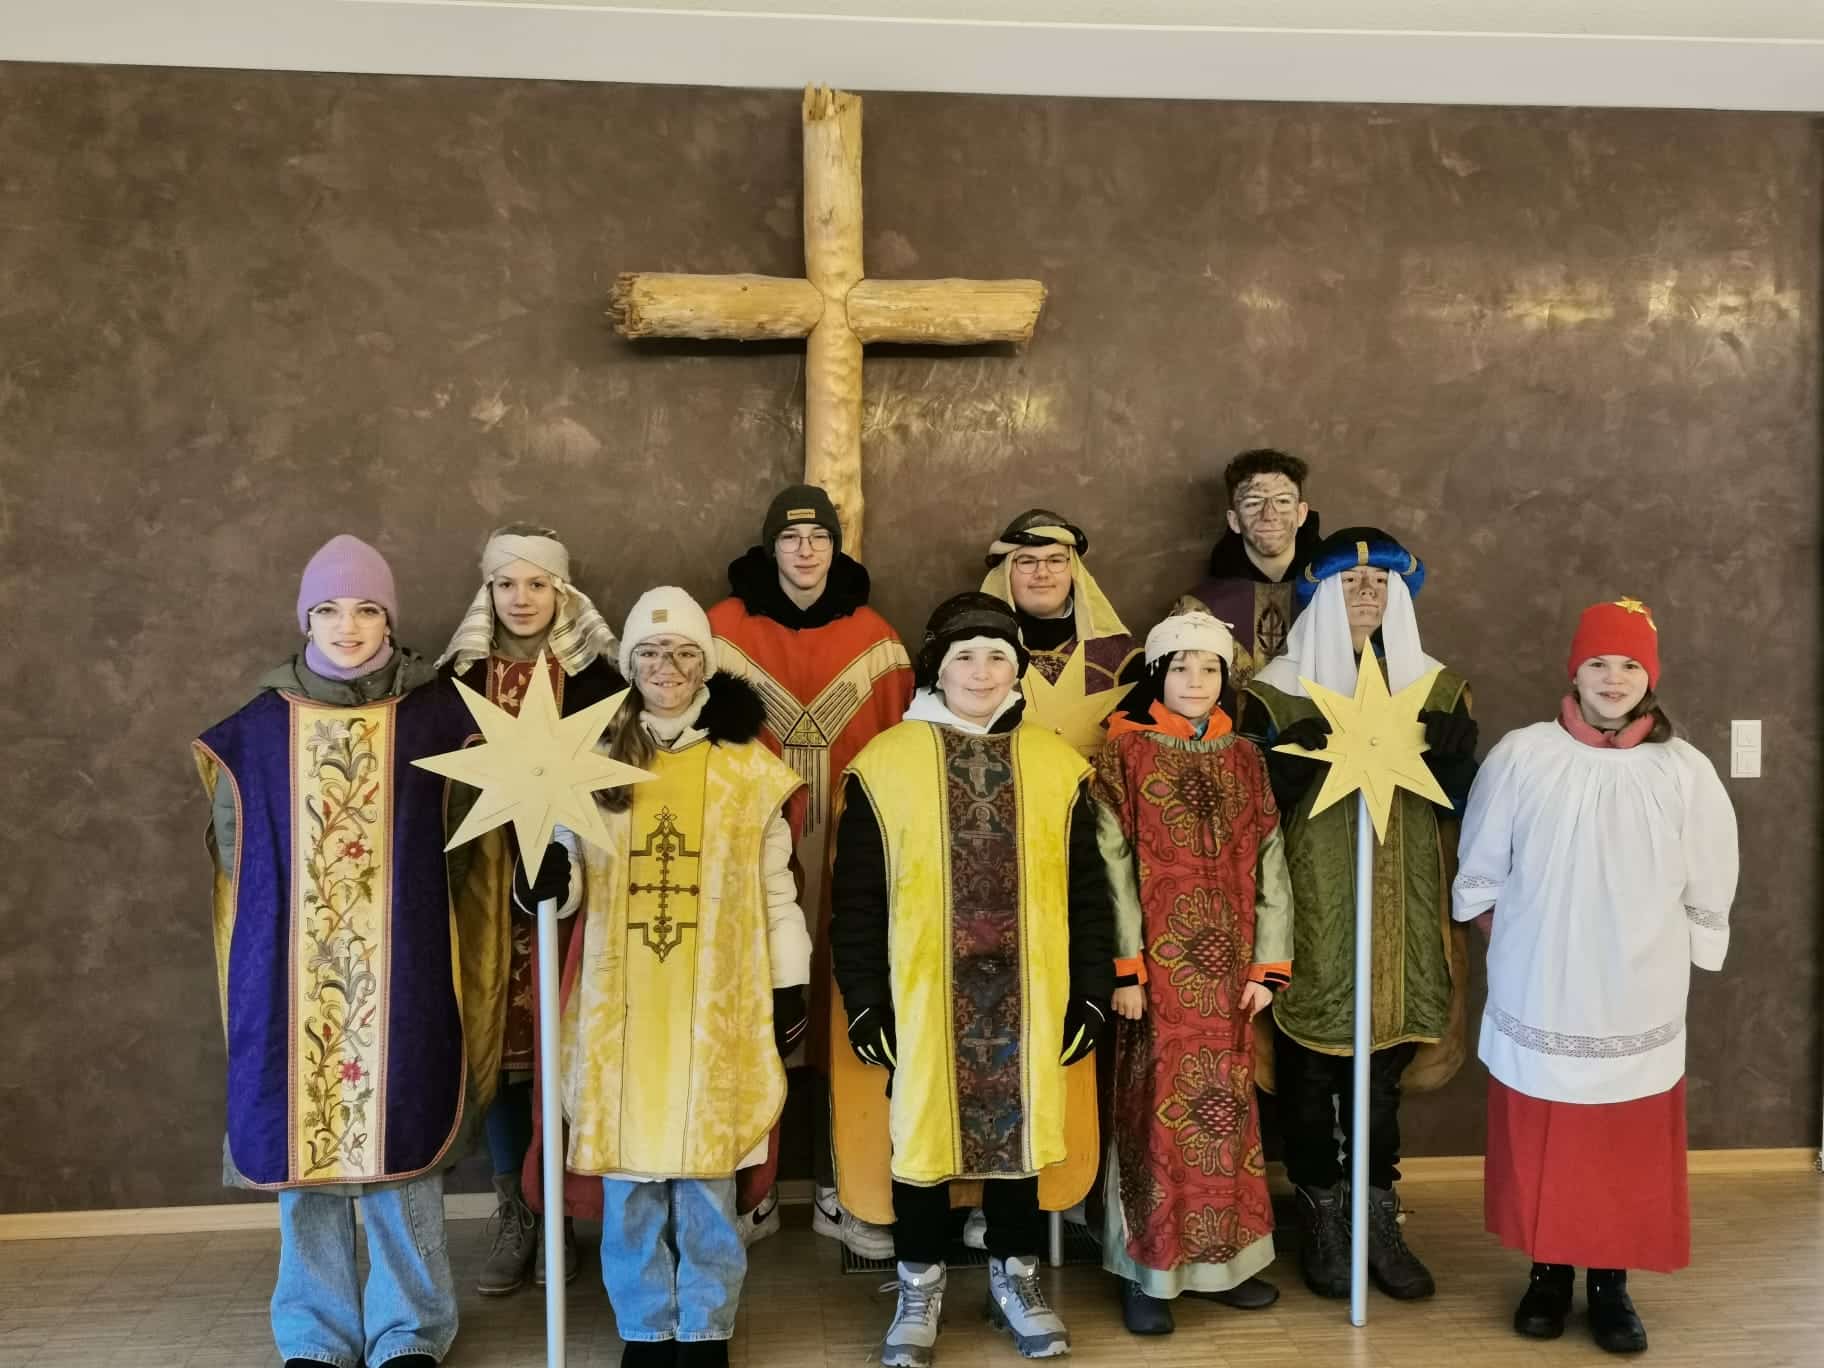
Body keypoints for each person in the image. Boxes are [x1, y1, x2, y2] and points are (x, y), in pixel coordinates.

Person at [194, 534, 501, 1368]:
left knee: (403, 1153)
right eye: (328, 609)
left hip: (406, 971)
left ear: (389, 620)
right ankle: (315, 1334)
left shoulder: (445, 723)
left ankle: (411, 1332)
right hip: (289, 979)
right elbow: (235, 864)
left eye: (367, 609)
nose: (348, 626)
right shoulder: (255, 734)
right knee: (307, 1162)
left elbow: (475, 852)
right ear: (306, 620)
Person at [831, 591, 1114, 1366]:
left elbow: (1089, 892)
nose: (982, 671)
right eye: (965, 656)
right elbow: (856, 900)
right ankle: (918, 1286)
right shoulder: (885, 765)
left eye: (998, 656)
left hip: (1033, 993)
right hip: (924, 996)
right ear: (938, 668)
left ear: (1017, 669)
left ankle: (1015, 1280)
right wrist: (865, 1000)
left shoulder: (1057, 766)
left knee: (1021, 1141)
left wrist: (1092, 988)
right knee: (922, 1139)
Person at [1453, 598, 1737, 1355]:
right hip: (1542, 981)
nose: (1614, 678)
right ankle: (1547, 1275)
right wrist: (1521, 941)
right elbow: (1482, 866)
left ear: (1651, 676)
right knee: (1544, 1129)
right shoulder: (1524, 755)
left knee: (1623, 1140)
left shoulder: (1683, 770)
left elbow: (1710, 872)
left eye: (1630, 664)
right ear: (1574, 672)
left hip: (1635, 987)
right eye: (1599, 662)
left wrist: (1682, 947)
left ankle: (1611, 1285)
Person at [561, 588, 811, 1368]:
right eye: (650, 653)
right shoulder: (589, 760)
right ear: (628, 664)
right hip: (620, 1002)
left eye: (682, 654)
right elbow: (564, 880)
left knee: (706, 1171)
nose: (666, 668)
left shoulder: (749, 770)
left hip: (717, 1000)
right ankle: (644, 1326)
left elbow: (776, 889)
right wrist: (545, 878)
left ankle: (705, 1326)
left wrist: (790, 983)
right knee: (631, 1171)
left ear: (706, 665)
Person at [1239, 527, 1479, 1302]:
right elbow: (1240, 812)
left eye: (1380, 583)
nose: (1367, 593)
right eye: (1350, 582)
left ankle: (1378, 1215)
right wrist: (1274, 768)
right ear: (1320, 596)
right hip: (1312, 907)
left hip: (1403, 908)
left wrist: (1458, 764)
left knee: (1381, 1074)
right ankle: (1321, 1214)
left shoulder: (1437, 690)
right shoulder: (1276, 693)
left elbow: (1466, 811)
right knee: (1309, 1071)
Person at [707, 484, 913, 1256]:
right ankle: (751, 1191)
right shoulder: (720, 633)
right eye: (790, 538)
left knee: (845, 1015)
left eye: (819, 537)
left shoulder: (877, 642)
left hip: (847, 860)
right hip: (747, 860)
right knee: (748, 1013)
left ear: (835, 547)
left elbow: (900, 747)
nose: (804, 550)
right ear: (770, 548)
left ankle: (841, 1186)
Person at [1092, 611, 1292, 1335]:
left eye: (1210, 669)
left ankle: (1224, 1265)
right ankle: (1145, 1271)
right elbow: (1112, 864)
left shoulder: (1245, 758)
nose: (1196, 680)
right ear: (1157, 676)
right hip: (1159, 975)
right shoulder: (1125, 753)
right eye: (1181, 668)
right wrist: (1127, 969)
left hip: (1230, 974)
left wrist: (1269, 963)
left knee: (1227, 1118)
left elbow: (1271, 857)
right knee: (1155, 1118)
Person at [437, 522, 622, 1295]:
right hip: (488, 890)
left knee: (570, 1048)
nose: (521, 598)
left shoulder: (599, 679)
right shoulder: (458, 683)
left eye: (537, 584)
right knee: (506, 1059)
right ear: (488, 592)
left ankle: (566, 1213)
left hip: (578, 888)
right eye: (506, 584)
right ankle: (520, 1212)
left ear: (562, 592)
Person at [980, 508, 1139, 755]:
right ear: (1005, 573)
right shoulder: (971, 658)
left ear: (1073, 570)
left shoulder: (1124, 659)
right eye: (1027, 561)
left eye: (1055, 560)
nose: (1042, 573)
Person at [1174, 447, 1324, 693]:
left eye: (1283, 501)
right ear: (1234, 520)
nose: (1269, 515)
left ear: (1301, 514)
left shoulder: (1337, 598)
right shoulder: (1197, 610)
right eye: (1253, 503)